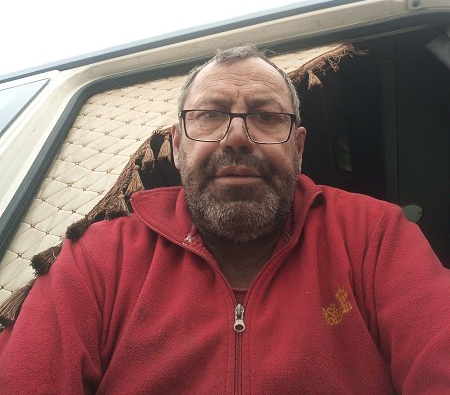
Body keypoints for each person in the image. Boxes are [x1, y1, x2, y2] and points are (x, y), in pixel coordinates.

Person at [0, 44, 449, 394]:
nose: (236, 137)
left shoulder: (374, 234)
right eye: (211, 116)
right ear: (178, 146)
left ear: (297, 146)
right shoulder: (97, 259)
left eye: (266, 116)